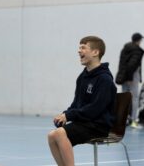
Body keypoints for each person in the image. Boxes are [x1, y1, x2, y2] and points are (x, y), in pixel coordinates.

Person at [47, 36, 117, 166]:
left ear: (95, 52)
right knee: (52, 135)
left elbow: (95, 108)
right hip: (86, 123)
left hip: (98, 125)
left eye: (83, 47)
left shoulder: (105, 79)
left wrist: (70, 115)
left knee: (61, 134)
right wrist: (64, 115)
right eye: (79, 48)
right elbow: (76, 103)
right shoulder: (83, 77)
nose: (79, 51)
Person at [115, 32, 144, 128]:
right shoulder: (136, 50)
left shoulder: (125, 48)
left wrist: (124, 77)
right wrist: (130, 77)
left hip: (124, 77)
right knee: (135, 98)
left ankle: (122, 120)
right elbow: (132, 64)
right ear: (139, 40)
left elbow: (122, 64)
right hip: (132, 77)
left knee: (124, 98)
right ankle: (134, 121)